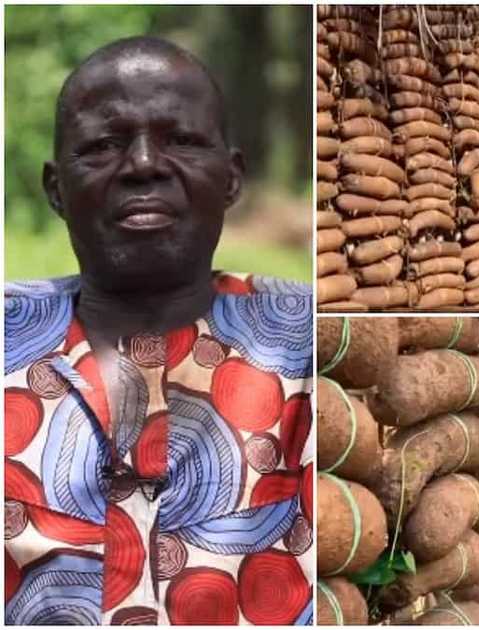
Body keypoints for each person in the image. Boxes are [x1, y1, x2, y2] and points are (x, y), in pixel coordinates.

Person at [4, 37, 313, 625]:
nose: (144, 165)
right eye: (103, 145)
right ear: (54, 189)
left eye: (182, 141)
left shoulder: (308, 340)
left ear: (231, 177)